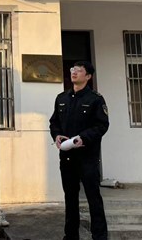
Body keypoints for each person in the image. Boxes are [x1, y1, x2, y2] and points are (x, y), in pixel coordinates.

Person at [49, 61, 109, 240]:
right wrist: (56, 135)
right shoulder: (62, 98)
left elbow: (102, 125)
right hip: (67, 157)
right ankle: (71, 236)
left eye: (79, 70)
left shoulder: (95, 99)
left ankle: (99, 236)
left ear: (88, 76)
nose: (74, 73)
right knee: (70, 198)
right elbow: (54, 122)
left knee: (93, 198)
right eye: (73, 69)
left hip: (87, 157)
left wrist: (84, 137)